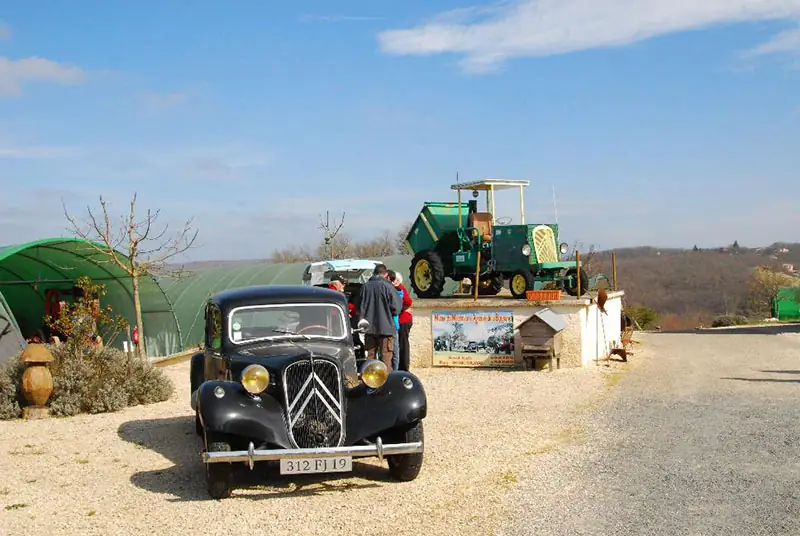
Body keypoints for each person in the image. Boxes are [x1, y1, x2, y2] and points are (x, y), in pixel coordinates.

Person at [354, 263, 402, 369]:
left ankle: (370, 384)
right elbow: (397, 308)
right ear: (385, 274)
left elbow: (357, 306)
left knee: (370, 359)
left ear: (374, 273)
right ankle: (387, 384)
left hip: (369, 329)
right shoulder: (389, 287)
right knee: (386, 359)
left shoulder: (364, 287)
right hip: (386, 329)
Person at [393, 272, 413, 371]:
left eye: (397, 280)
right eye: (394, 279)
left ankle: (404, 367)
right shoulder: (397, 289)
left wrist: (402, 309)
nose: (395, 281)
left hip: (403, 320)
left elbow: (408, 301)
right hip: (402, 318)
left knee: (403, 344)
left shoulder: (400, 289)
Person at [387, 270, 402, 371]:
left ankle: (395, 371)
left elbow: (396, 308)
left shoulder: (398, 291)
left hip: (393, 323)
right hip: (391, 324)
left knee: (394, 350)